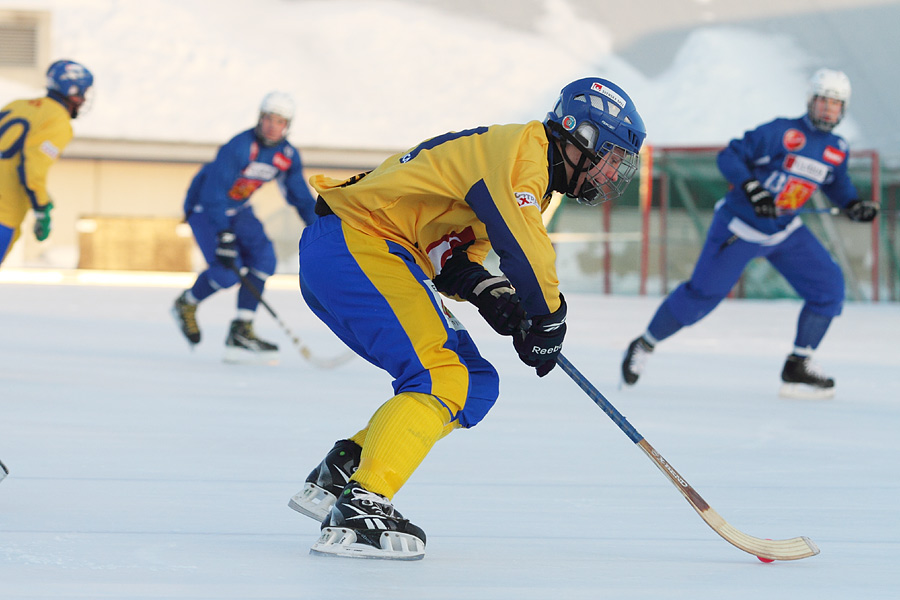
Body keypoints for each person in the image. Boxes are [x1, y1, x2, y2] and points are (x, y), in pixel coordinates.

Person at [287, 77, 646, 560]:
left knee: (474, 382)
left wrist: (499, 300)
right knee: (439, 375)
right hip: (358, 244)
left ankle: (346, 470)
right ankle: (362, 506)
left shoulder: (526, 172)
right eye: (609, 157)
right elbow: (524, 249)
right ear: (578, 136)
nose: (610, 174)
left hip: (371, 253)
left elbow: (451, 257)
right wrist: (547, 317)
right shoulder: (524, 155)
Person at [621, 68, 878, 399]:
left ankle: (799, 362)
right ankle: (644, 344)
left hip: (785, 231)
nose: (829, 110)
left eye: (836, 104)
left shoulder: (837, 147)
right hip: (740, 228)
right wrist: (754, 190)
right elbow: (730, 155)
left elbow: (836, 183)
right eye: (824, 101)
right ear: (810, 102)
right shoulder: (781, 132)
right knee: (702, 297)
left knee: (829, 287)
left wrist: (853, 204)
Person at [170, 91, 318, 363]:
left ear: (288, 126)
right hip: (207, 209)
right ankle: (186, 303)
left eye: (280, 121)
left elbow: (298, 194)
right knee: (227, 273)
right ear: (260, 119)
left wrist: (320, 225)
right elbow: (212, 192)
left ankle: (241, 331)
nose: (273, 126)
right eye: (269, 119)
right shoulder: (239, 147)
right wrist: (223, 233)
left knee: (265, 260)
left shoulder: (286, 155)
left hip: (238, 209)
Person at [0, 59, 94, 266]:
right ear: (73, 91)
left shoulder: (16, 106)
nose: (84, 98)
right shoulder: (58, 120)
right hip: (3, 211)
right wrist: (41, 207)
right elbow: (32, 168)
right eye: (83, 92)